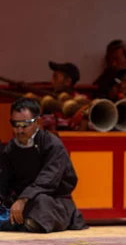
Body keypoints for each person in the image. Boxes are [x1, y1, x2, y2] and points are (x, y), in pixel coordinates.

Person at [0, 98, 86, 233]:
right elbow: (4, 181)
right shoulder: (10, 148)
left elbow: (49, 178)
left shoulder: (52, 144)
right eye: (15, 124)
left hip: (52, 200)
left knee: (41, 203)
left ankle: (26, 222)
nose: (19, 130)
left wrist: (24, 198)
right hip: (19, 201)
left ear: (38, 122)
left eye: (25, 124)